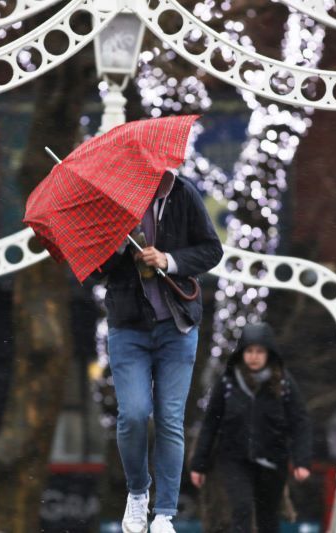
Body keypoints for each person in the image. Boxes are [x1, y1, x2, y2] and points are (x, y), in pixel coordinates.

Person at [97, 169, 223, 533]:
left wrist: (168, 260)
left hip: (177, 327)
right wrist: (119, 246)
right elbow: (93, 271)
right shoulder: (113, 199)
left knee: (170, 419)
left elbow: (211, 249)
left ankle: (165, 513)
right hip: (128, 329)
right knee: (134, 415)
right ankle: (137, 494)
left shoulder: (183, 194)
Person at [189, 322, 312, 533]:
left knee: (268, 516)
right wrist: (198, 464)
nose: (254, 356)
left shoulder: (284, 383)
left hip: (273, 459)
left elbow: (299, 421)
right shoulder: (228, 382)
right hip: (234, 458)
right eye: (250, 351)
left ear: (268, 353)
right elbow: (210, 423)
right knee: (242, 508)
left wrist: (302, 461)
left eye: (259, 351)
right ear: (242, 353)